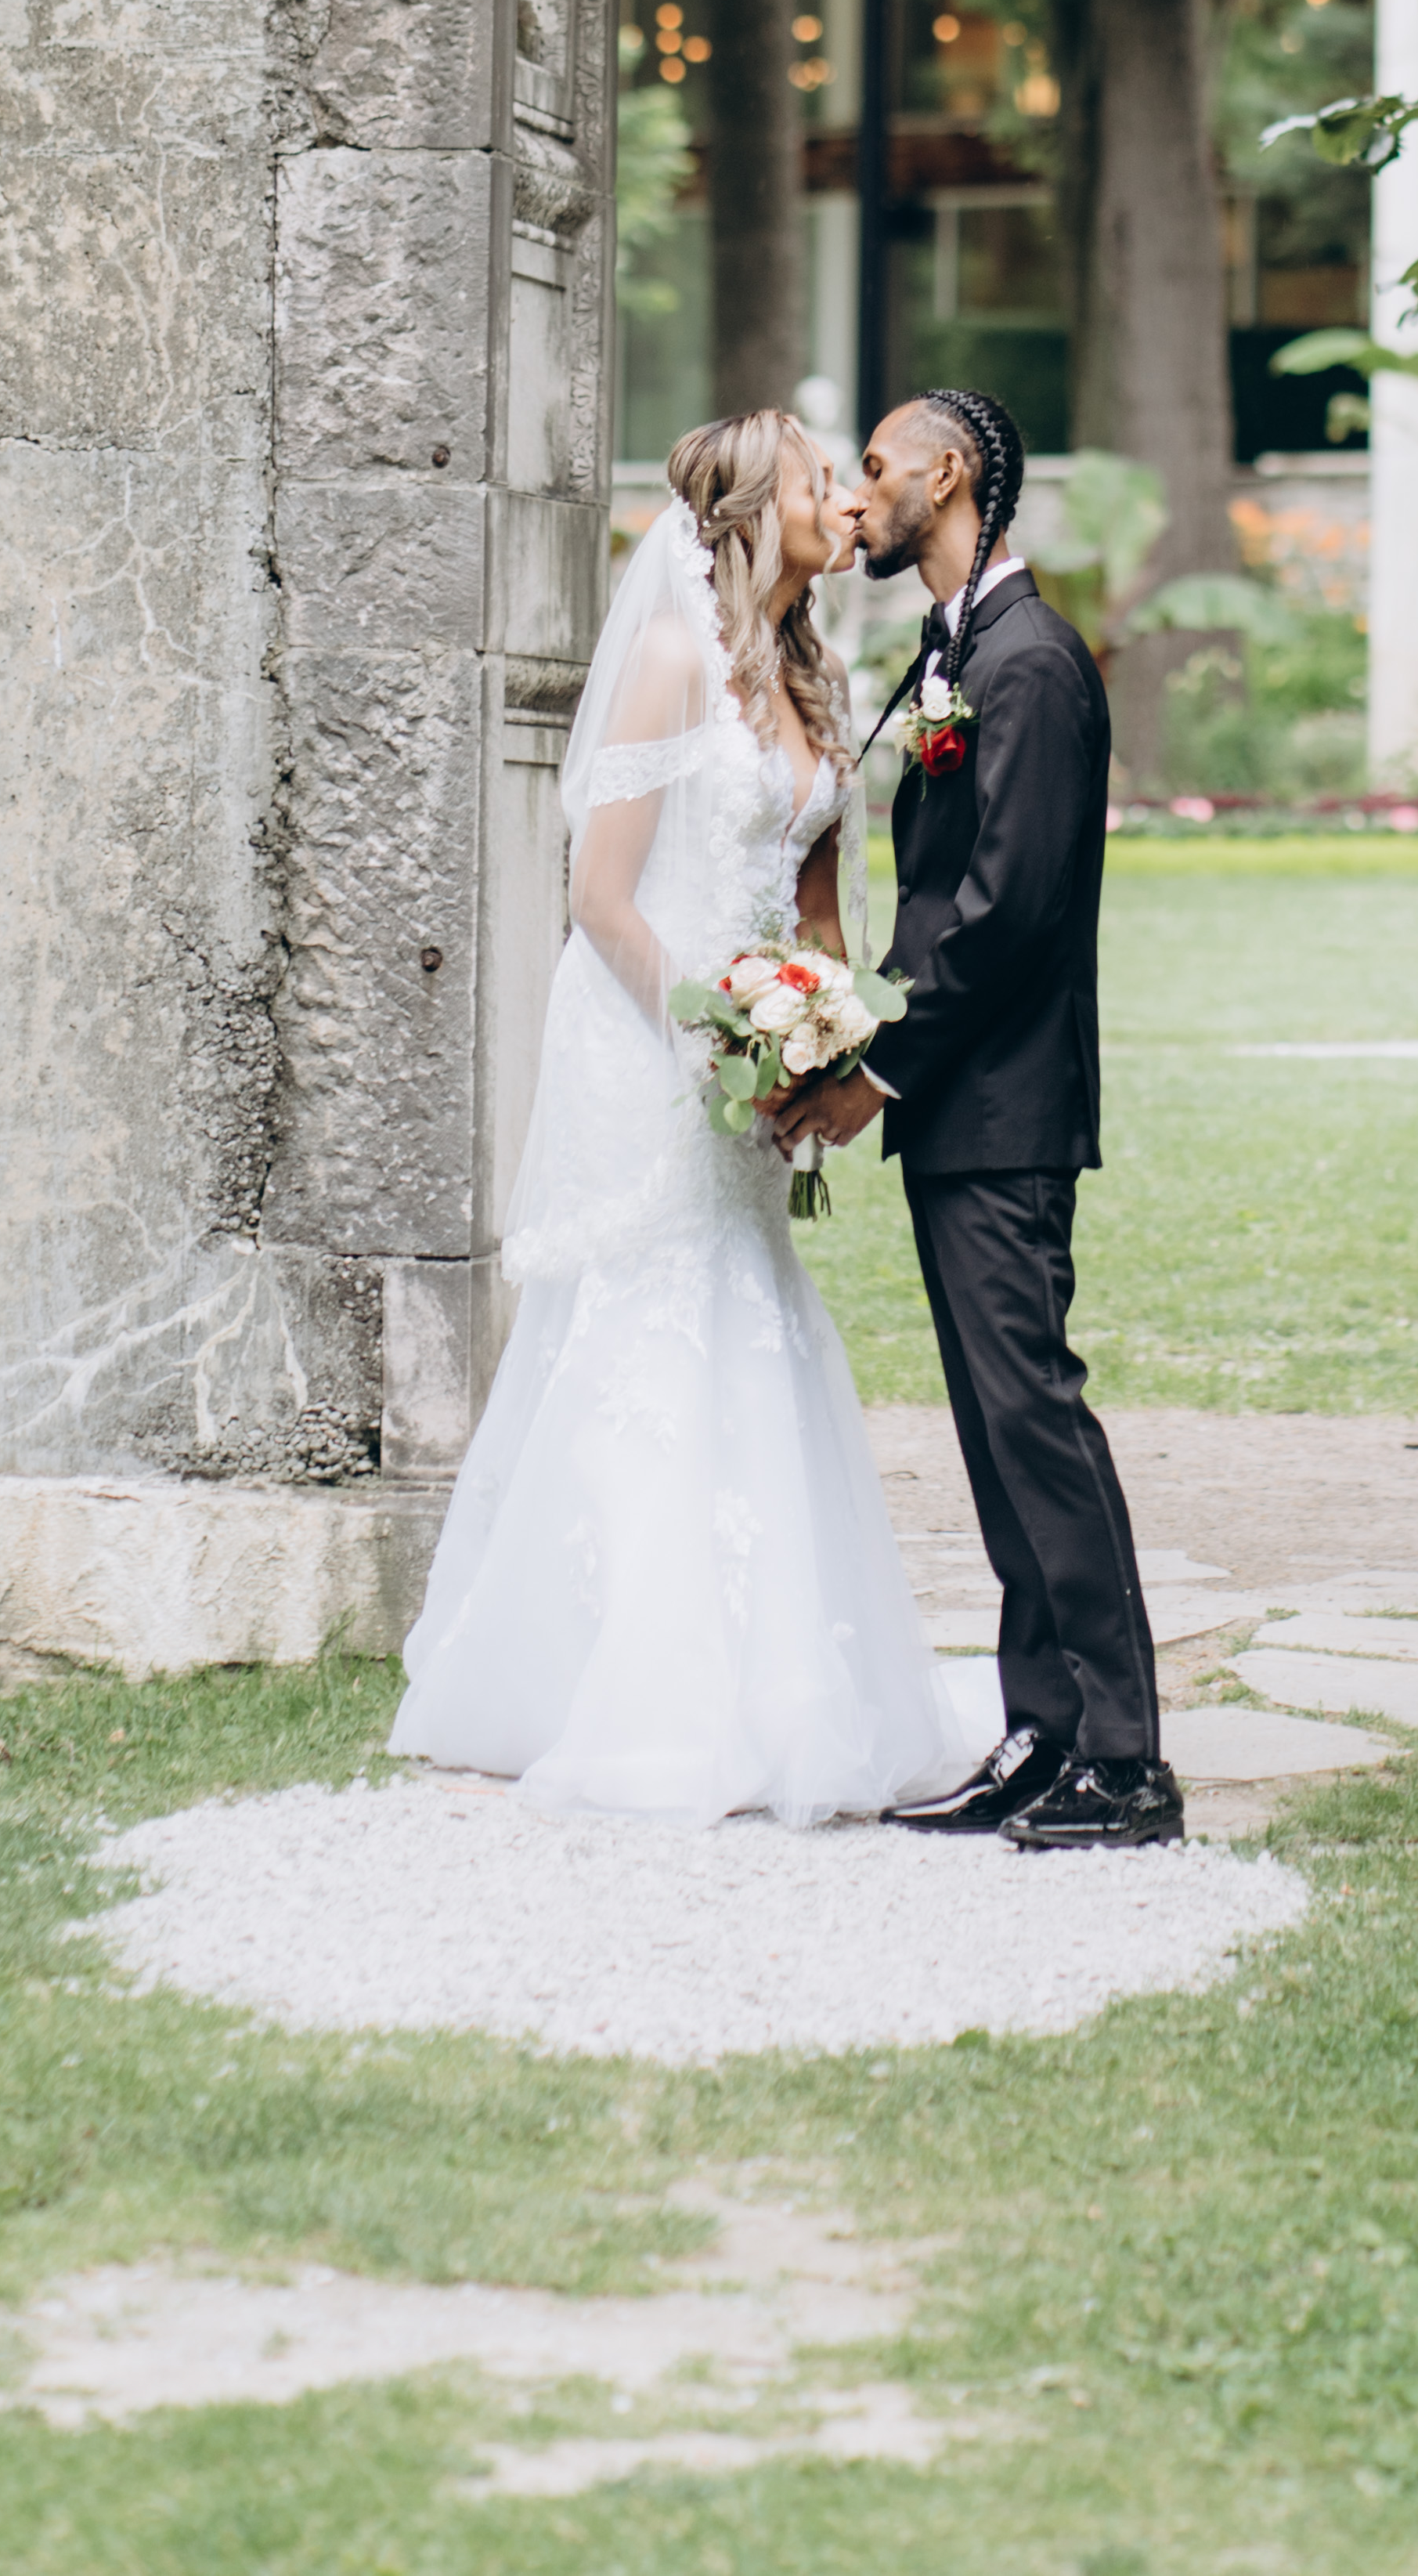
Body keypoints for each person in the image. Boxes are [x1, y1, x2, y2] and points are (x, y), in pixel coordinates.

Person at [389, 409, 958, 1824]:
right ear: (758, 509)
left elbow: (816, 900)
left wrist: (820, 1035)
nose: (845, 499)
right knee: (652, 1321)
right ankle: (632, 1685)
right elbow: (600, 897)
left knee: (749, 1311)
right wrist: (713, 1038)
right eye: (821, 479)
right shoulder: (667, 658)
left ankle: (782, 1681)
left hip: (756, 1056)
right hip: (658, 1046)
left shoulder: (814, 675)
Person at [786, 388, 1184, 1852]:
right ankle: (1044, 1734)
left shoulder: (1031, 663)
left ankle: (1125, 1762)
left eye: (877, 467)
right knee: (995, 1431)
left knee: (1036, 1420)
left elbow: (1009, 910)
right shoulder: (959, 652)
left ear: (948, 475)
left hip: (1004, 1106)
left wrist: (875, 1066)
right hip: (961, 1106)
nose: (861, 493)